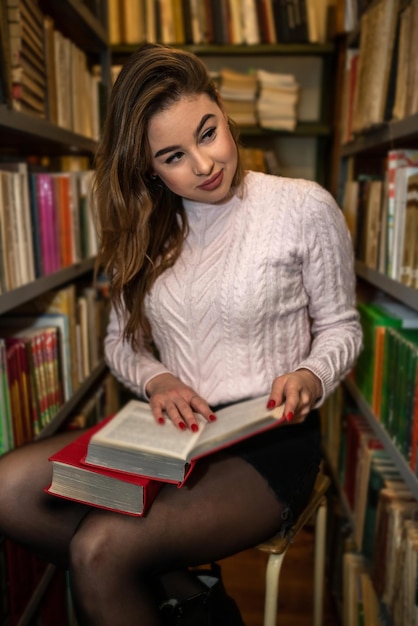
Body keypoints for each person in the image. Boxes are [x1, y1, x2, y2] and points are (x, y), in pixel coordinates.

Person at [0, 43, 362, 625]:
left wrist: (310, 374)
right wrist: (159, 377)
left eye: (208, 132)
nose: (203, 164)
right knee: (8, 489)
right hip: (170, 432)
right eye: (173, 155)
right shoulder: (142, 228)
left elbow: (342, 327)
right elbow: (121, 343)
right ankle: (187, 591)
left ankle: (162, 586)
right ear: (149, 168)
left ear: (221, 108)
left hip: (268, 441)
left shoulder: (301, 207)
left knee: (100, 550)